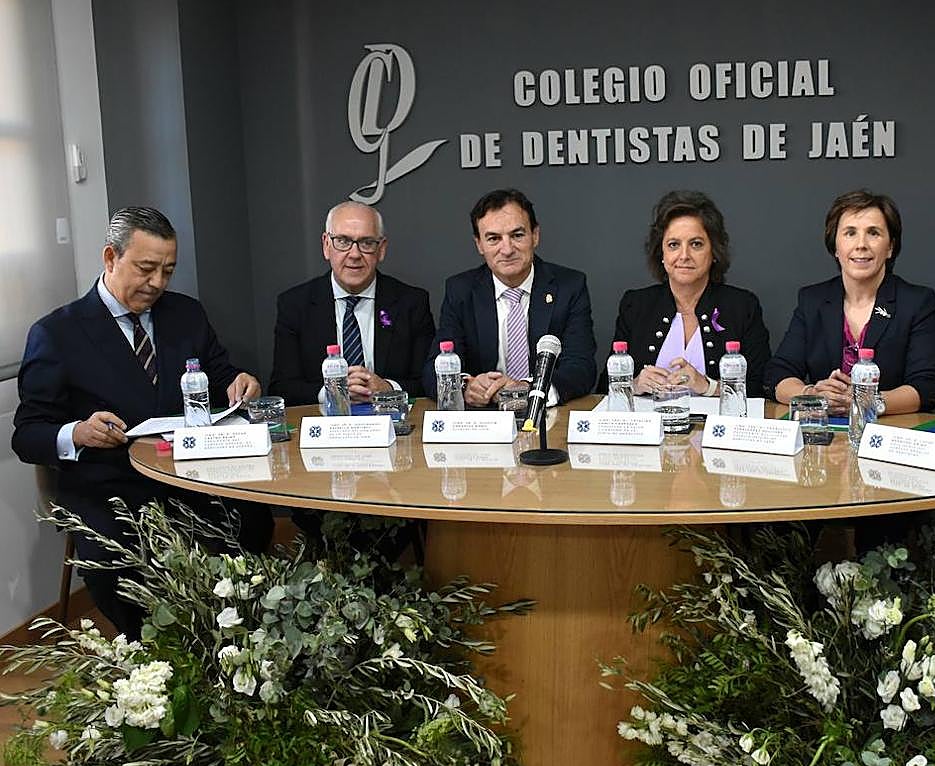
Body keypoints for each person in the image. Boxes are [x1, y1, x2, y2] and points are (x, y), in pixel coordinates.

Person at [11, 207, 273, 636]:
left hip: (189, 478)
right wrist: (77, 432)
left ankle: (232, 641)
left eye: (168, 271)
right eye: (146, 268)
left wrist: (241, 383)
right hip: (111, 489)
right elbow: (28, 433)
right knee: (124, 568)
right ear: (110, 257)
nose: (158, 284)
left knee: (253, 520)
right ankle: (160, 655)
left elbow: (221, 375)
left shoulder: (185, 314)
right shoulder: (58, 333)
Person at [763, 190, 935, 413]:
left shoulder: (916, 302)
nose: (861, 244)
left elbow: (929, 387)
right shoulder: (813, 300)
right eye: (850, 233)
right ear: (835, 247)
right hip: (824, 432)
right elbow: (777, 375)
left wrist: (867, 401)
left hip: (887, 434)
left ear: (890, 247)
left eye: (873, 233)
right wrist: (812, 395)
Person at [422, 188, 597, 406]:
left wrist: (528, 388)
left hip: (546, 416)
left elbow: (581, 368)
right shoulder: (461, 291)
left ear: (535, 236)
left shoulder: (568, 286)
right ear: (479, 244)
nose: (507, 249)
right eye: (493, 238)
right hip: (485, 420)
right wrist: (465, 387)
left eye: (517, 235)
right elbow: (433, 370)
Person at [270, 201, 434, 404]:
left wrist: (388, 388)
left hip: (391, 423)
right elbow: (282, 387)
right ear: (326, 245)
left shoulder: (411, 303)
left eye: (366, 243)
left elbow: (428, 381)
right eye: (343, 241)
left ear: (381, 249)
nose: (354, 254)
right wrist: (333, 392)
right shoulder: (295, 305)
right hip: (325, 427)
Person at [609, 190, 770, 397]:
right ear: (662, 254)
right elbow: (606, 383)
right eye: (674, 245)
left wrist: (708, 386)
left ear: (714, 252)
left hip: (716, 428)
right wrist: (635, 384)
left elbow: (762, 386)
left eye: (696, 244)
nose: (684, 256)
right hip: (649, 427)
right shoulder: (636, 305)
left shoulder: (742, 306)